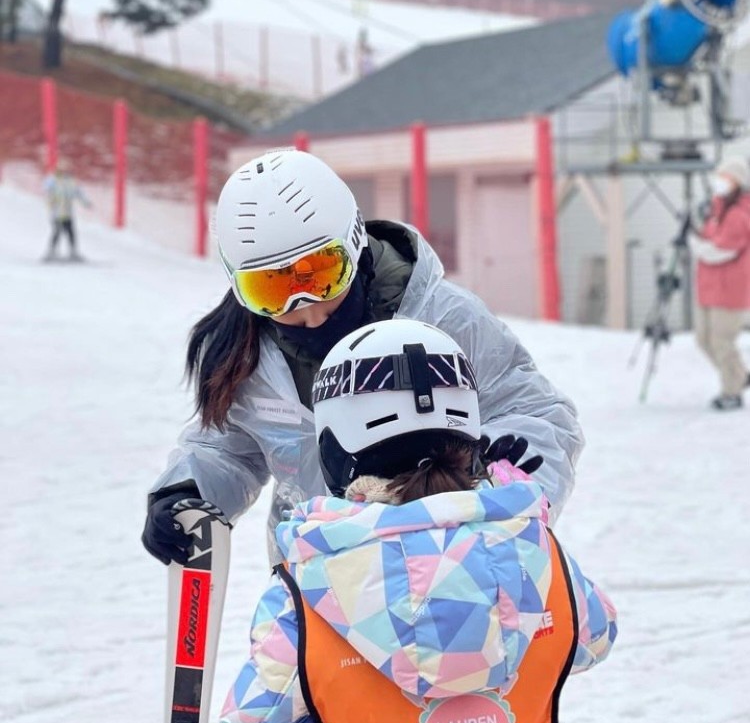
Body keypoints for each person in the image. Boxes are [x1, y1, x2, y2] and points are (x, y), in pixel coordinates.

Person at [142, 148, 584, 569]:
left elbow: (534, 412)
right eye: (270, 290)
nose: (306, 310)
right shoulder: (248, 351)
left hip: (447, 568)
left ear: (353, 244)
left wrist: (502, 478)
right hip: (316, 579)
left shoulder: (439, 318)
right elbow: (231, 447)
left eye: (321, 273)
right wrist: (187, 488)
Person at [219, 319, 617, 723]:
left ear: (334, 449)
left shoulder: (306, 589)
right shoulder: (537, 552)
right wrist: (508, 504)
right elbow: (595, 636)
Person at [690, 154, 750, 410]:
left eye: (725, 178)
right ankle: (738, 376)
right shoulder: (716, 211)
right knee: (703, 339)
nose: (720, 182)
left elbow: (722, 250)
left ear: (737, 181)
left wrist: (697, 246)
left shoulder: (738, 214)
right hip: (709, 287)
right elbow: (710, 243)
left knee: (722, 341)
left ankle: (731, 391)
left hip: (730, 289)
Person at [42, 159, 91, 262]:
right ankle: (52, 251)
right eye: (63, 169)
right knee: (57, 231)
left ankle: (73, 252)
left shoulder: (71, 181)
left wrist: (85, 202)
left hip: (68, 212)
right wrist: (50, 199)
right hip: (57, 212)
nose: (65, 171)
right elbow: (46, 190)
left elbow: (78, 192)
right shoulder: (53, 180)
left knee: (70, 232)